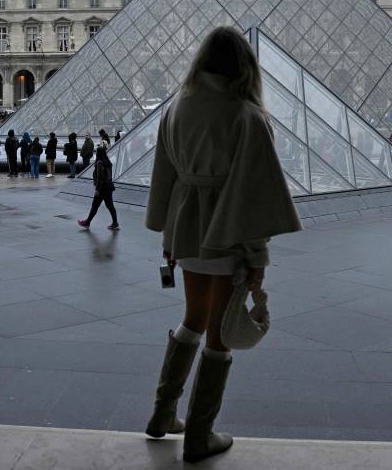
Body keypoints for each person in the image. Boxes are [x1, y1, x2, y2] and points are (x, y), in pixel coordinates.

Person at [144, 27, 301, 463]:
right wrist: (257, 260)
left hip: (186, 229)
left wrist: (166, 233)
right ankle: (199, 435)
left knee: (192, 317)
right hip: (227, 234)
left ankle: (162, 414)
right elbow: (254, 196)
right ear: (244, 67)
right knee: (219, 333)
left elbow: (163, 177)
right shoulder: (247, 116)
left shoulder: (176, 108)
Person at [77, 143, 119, 229]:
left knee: (95, 205)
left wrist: (97, 189)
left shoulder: (99, 163)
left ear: (98, 153)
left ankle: (87, 222)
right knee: (110, 206)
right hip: (109, 186)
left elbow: (100, 178)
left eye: (96, 152)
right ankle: (115, 223)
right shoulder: (108, 162)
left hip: (102, 188)